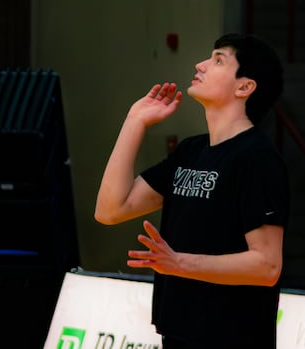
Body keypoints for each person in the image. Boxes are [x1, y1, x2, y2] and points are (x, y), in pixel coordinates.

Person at [93, 34, 288, 349]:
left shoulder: (258, 159)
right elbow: (110, 209)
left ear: (244, 87)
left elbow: (267, 266)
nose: (201, 65)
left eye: (218, 60)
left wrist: (178, 263)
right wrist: (135, 121)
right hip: (179, 331)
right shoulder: (190, 151)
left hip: (231, 338)